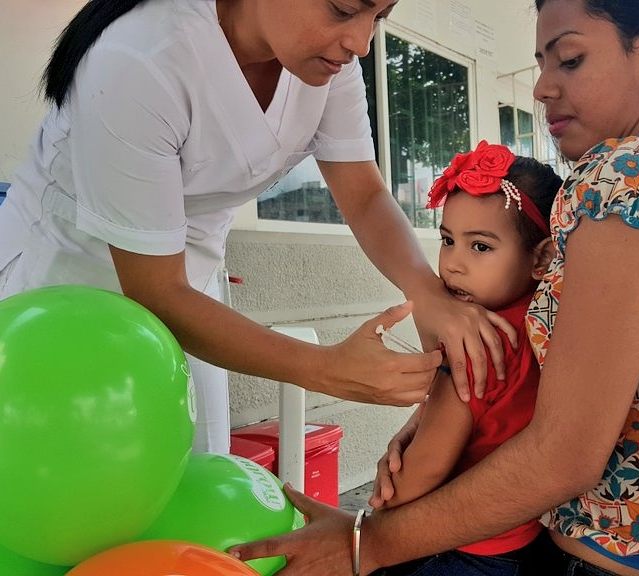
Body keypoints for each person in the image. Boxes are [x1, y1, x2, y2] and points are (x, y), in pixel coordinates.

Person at [231, 0, 639, 574]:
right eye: (541, 63)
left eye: (570, 59)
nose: (542, 88)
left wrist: (365, 542)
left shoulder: (625, 178)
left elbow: (566, 454)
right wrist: (435, 414)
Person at [0, 0, 513, 454]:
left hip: (189, 284)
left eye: (380, 16)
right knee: (68, 464)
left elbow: (364, 194)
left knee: (186, 459)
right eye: (342, 9)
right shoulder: (140, 60)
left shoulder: (328, 63)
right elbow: (156, 290)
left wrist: (426, 293)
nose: (360, 42)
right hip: (70, 280)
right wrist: (327, 368)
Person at [372, 141, 560, 576]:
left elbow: (420, 473)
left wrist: (377, 516)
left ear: (542, 257)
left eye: (480, 247)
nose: (453, 264)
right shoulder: (546, 325)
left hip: (459, 549)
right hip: (523, 539)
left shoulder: (472, 344)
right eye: (447, 240)